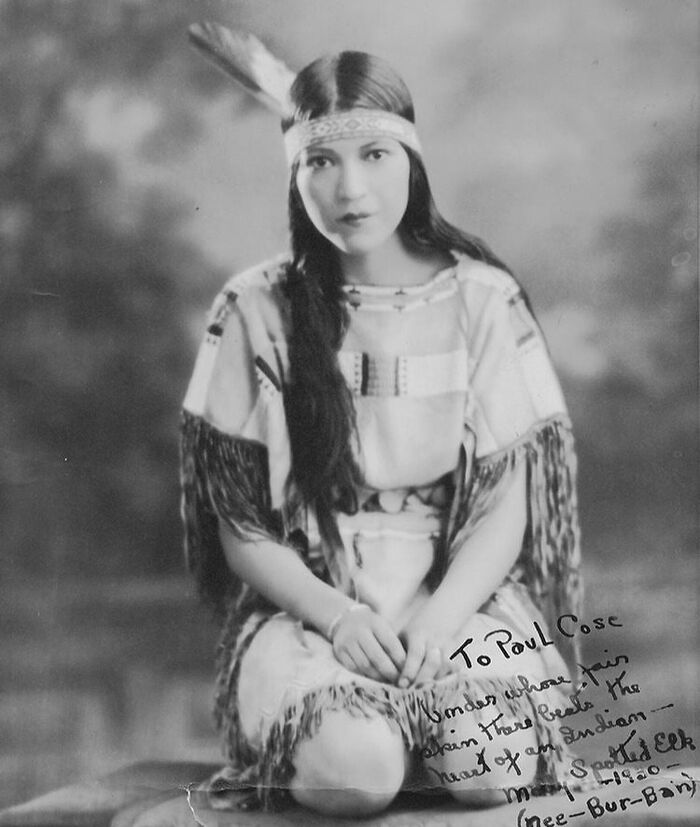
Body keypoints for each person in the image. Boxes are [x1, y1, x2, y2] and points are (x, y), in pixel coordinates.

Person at [180, 49, 583, 818]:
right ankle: (369, 742)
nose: (350, 189)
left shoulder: (481, 299)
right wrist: (339, 616)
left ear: (413, 159)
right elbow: (239, 525)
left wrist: (439, 623)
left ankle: (424, 734)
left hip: (451, 603)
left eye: (374, 154)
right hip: (313, 609)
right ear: (295, 173)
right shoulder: (256, 307)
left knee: (487, 763)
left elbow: (504, 508)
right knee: (359, 773)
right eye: (321, 161)